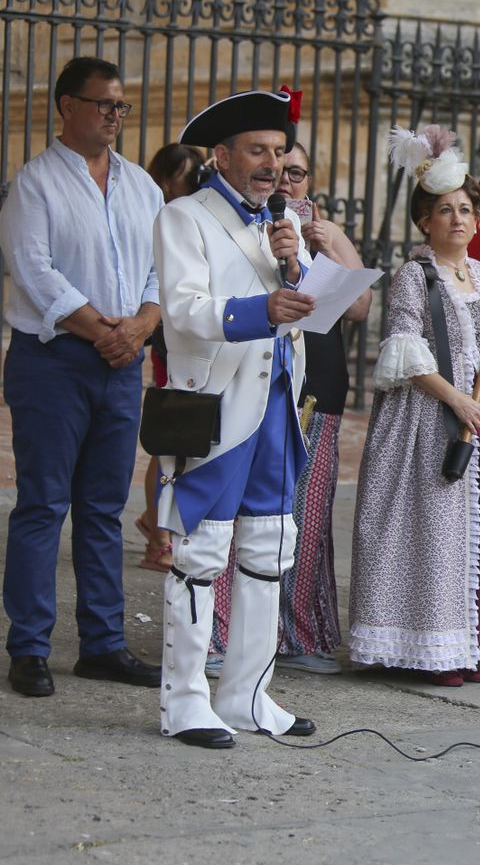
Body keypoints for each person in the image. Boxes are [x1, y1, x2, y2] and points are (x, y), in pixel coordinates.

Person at [150, 88, 319, 748]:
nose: (272, 164)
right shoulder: (184, 218)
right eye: (258, 151)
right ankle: (185, 701)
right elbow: (185, 311)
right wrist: (261, 311)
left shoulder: (284, 223)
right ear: (221, 155)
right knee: (199, 553)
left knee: (268, 548)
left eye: (279, 152)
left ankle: (247, 696)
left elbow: (299, 299)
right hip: (214, 407)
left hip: (276, 404)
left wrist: (294, 263)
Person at [346, 126, 480, 686]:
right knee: (433, 531)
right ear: (425, 220)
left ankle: (467, 642)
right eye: (445, 210)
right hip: (432, 419)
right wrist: (454, 400)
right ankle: (426, 644)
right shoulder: (413, 274)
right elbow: (404, 353)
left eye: (465, 209)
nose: (458, 219)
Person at [0, 56, 163, 699]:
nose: (116, 117)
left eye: (122, 106)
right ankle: (29, 647)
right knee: (43, 502)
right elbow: (33, 271)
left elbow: (161, 265)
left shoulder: (142, 186)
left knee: (103, 508)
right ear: (67, 106)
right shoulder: (34, 184)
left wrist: (143, 325)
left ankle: (102, 644)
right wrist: (104, 330)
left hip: (122, 362)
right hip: (55, 361)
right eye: (104, 105)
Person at [212, 141, 373, 673]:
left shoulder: (319, 234)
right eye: (279, 170)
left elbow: (359, 306)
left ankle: (300, 634)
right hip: (253, 382)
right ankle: (224, 637)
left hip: (317, 386)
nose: (286, 181)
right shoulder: (244, 225)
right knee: (237, 517)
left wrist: (331, 242)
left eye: (297, 172)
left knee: (306, 518)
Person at [133, 142, 206, 574]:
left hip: (196, 337)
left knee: (185, 439)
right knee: (169, 441)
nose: (195, 181)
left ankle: (155, 522)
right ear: (164, 179)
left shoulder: (198, 215)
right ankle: (158, 539)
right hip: (166, 337)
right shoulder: (157, 217)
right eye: (188, 174)